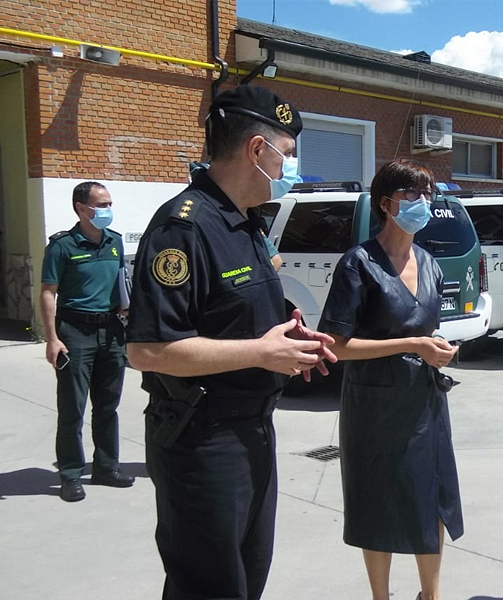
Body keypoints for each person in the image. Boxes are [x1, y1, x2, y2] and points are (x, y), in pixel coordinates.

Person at [126, 85, 336, 600]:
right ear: (256, 151)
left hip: (252, 429)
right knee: (210, 586)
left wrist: (288, 334)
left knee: (247, 575)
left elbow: (232, 314)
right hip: (203, 437)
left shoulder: (245, 222)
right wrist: (262, 352)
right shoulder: (184, 228)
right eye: (286, 155)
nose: (289, 168)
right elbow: (148, 350)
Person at [317, 159, 463, 600]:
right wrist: (412, 346)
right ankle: (381, 596)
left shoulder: (429, 263)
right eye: (413, 195)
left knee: (432, 497)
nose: (424, 203)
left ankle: (430, 595)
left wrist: (435, 346)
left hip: (424, 401)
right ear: (386, 203)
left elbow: (424, 327)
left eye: (428, 194)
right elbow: (335, 345)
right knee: (376, 502)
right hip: (375, 406)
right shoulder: (359, 263)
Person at [39, 181, 133, 503]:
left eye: (109, 204)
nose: (107, 210)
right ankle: (70, 474)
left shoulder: (116, 242)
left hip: (111, 332)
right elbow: (48, 293)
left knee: (108, 406)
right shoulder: (62, 247)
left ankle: (107, 467)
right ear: (81, 208)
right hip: (75, 333)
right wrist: (52, 339)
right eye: (101, 205)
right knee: (72, 409)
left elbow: (122, 284)